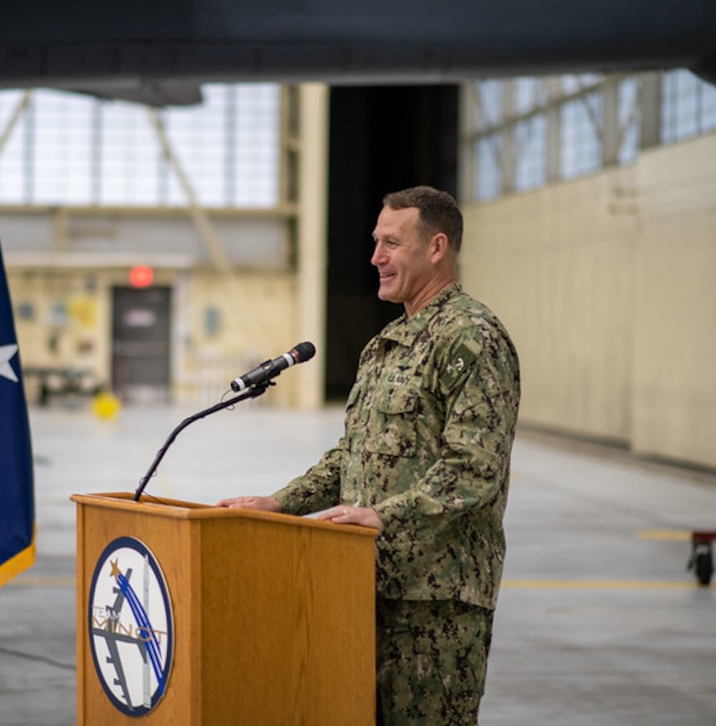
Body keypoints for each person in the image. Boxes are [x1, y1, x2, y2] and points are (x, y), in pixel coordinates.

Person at [218, 185, 521, 725]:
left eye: (391, 243)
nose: (376, 257)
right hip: (363, 587)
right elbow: (352, 457)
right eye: (375, 242)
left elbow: (475, 470)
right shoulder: (385, 346)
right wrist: (279, 503)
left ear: (436, 248)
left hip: (434, 604)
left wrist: (385, 516)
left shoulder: (472, 337)